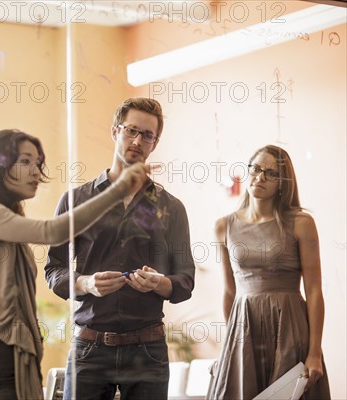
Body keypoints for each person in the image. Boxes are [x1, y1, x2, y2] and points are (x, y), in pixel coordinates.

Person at [0, 129, 151, 400]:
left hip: (10, 357)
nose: (36, 172)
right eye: (25, 161)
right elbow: (52, 232)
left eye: (37, 163)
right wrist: (118, 190)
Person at [45, 97, 196, 399]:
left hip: (148, 350)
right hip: (89, 348)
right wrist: (85, 283)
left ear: (155, 142)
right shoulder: (75, 201)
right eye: (131, 131)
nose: (138, 141)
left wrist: (161, 284)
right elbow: (53, 269)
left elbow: (185, 281)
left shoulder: (172, 208)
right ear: (115, 132)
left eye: (147, 135)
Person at [208, 145, 330, 399]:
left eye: (271, 174)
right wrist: (228, 349)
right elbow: (229, 291)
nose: (260, 177)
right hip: (244, 329)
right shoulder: (223, 226)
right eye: (255, 169)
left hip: (290, 327)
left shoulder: (302, 222)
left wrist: (315, 352)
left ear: (283, 184)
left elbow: (315, 290)